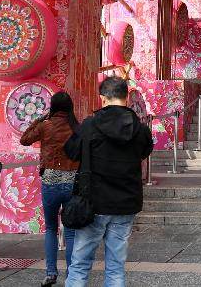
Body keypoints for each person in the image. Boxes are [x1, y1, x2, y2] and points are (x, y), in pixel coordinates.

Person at [64, 76, 153, 287]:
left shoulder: (90, 125)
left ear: (103, 98)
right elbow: (145, 151)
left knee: (79, 265)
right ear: (126, 97)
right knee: (116, 267)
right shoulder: (140, 129)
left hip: (92, 203)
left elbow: (71, 151)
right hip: (125, 204)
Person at [20, 91, 80, 287]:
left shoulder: (45, 126)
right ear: (70, 107)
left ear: (52, 107)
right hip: (72, 182)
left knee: (51, 228)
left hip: (50, 183)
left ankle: (51, 273)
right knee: (70, 231)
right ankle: (72, 274)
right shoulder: (76, 128)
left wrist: (39, 119)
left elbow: (25, 139)